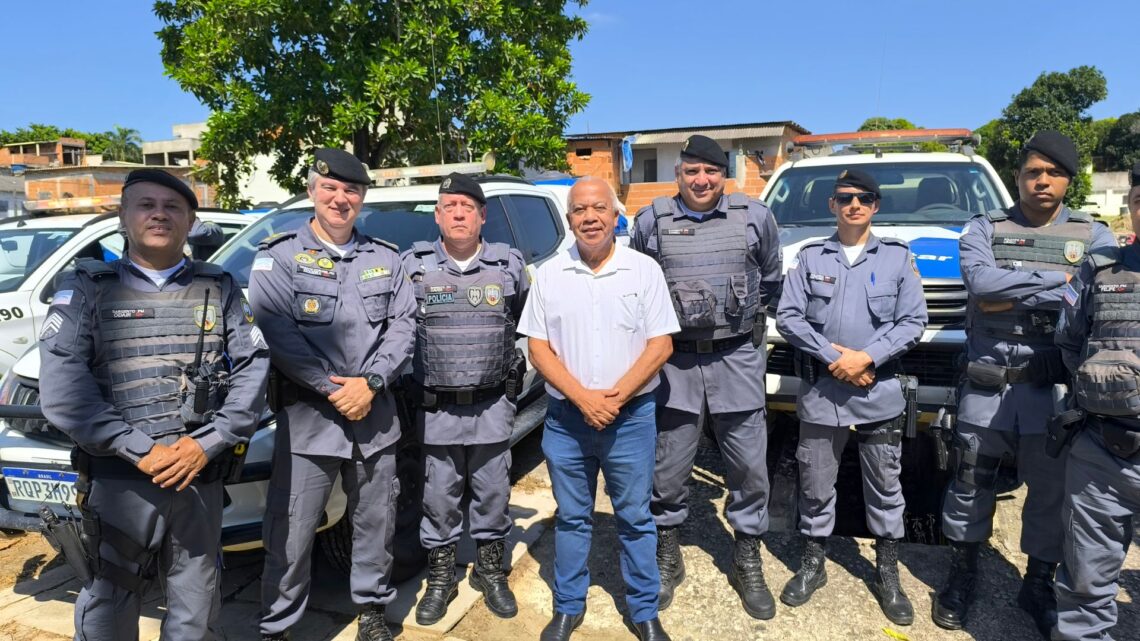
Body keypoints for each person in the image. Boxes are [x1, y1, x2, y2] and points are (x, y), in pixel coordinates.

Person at [39, 168, 270, 641]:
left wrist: (213, 440)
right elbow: (64, 388)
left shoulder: (219, 286)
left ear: (190, 222)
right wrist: (141, 449)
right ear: (123, 217)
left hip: (197, 474)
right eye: (146, 205)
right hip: (120, 477)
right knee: (110, 600)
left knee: (197, 600)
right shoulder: (86, 288)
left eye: (173, 207)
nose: (159, 214)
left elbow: (254, 368)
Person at [933, 131, 1118, 635]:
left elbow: (1096, 291)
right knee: (970, 482)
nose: (1042, 181)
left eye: (1053, 173)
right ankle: (963, 570)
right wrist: (1059, 280)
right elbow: (981, 285)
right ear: (1016, 177)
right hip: (986, 387)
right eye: (1033, 172)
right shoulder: (983, 228)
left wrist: (1013, 286)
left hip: (1053, 391)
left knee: (1051, 493)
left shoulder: (1095, 234)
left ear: (1067, 180)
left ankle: (1037, 582)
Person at [250, 148, 416, 641]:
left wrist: (373, 384)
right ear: (312, 191)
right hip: (308, 425)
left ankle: (371, 612)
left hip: (376, 417)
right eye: (330, 188)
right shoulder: (277, 257)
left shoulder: (388, 258)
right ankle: (277, 626)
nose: (340, 198)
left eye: (350, 190)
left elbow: (403, 327)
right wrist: (335, 389)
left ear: (362, 198)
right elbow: (277, 332)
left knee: (376, 525)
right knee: (291, 532)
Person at [629, 134, 782, 618]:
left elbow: (772, 281)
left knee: (748, 466)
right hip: (673, 363)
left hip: (737, 358)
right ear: (679, 174)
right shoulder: (651, 221)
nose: (701, 180)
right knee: (668, 467)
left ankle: (746, 556)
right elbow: (639, 286)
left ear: (725, 175)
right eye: (692, 171)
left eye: (711, 172)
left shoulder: (755, 218)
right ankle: (667, 554)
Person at [520, 177, 679, 641]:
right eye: (578, 210)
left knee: (634, 517)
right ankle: (569, 605)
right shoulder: (549, 273)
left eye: (598, 209)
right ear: (568, 219)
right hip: (567, 420)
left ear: (615, 215)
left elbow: (660, 345)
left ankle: (644, 611)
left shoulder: (643, 270)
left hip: (630, 418)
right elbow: (539, 348)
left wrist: (614, 398)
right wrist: (583, 398)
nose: (589, 217)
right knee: (571, 517)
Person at [775, 169, 927, 624]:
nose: (854, 205)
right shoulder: (810, 257)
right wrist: (833, 359)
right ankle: (813, 563)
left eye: (864, 198)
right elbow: (789, 317)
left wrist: (865, 359)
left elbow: (913, 322)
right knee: (816, 481)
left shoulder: (899, 259)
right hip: (823, 391)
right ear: (832, 206)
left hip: (878, 391)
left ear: (876, 205)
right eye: (845, 198)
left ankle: (887, 573)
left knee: (884, 484)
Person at [400, 173, 529, 625]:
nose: (458, 213)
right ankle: (441, 577)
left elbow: (523, 320)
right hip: (436, 408)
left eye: (467, 207)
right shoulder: (412, 266)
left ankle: (491, 570)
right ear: (438, 214)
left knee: (493, 491)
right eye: (450, 205)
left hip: (492, 403)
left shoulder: (508, 265)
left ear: (482, 215)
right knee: (439, 495)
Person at [1052, 160, 1140, 641]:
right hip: (1104, 453)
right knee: (1086, 588)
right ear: (1130, 207)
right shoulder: (1099, 272)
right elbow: (1069, 344)